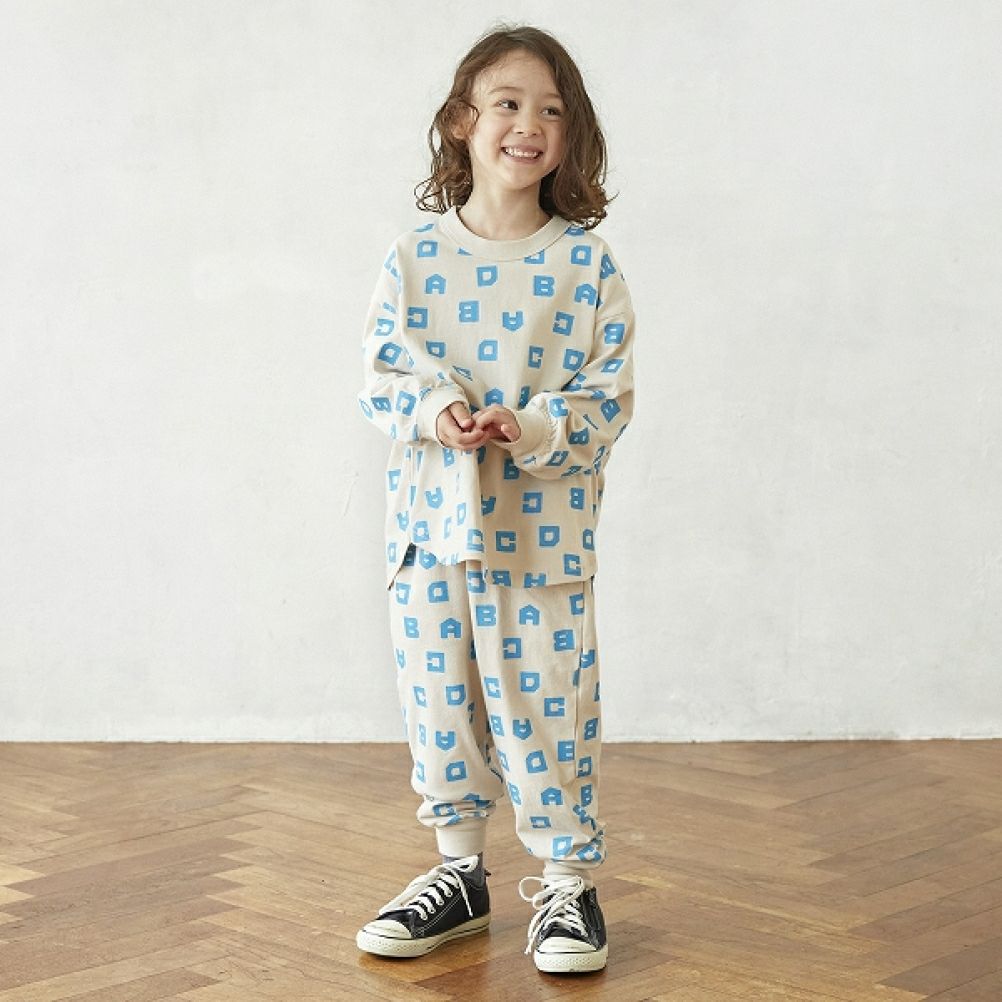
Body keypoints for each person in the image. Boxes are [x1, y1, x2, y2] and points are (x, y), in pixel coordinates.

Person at [354, 23, 635, 975]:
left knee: (547, 702)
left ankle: (567, 882)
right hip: (430, 530)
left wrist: (534, 425)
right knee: (438, 699)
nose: (529, 124)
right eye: (508, 103)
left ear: (571, 134)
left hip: (540, 534)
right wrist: (439, 412)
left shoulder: (586, 268)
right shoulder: (413, 260)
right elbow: (382, 377)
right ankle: (459, 874)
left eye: (552, 110)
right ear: (461, 122)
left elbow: (607, 398)